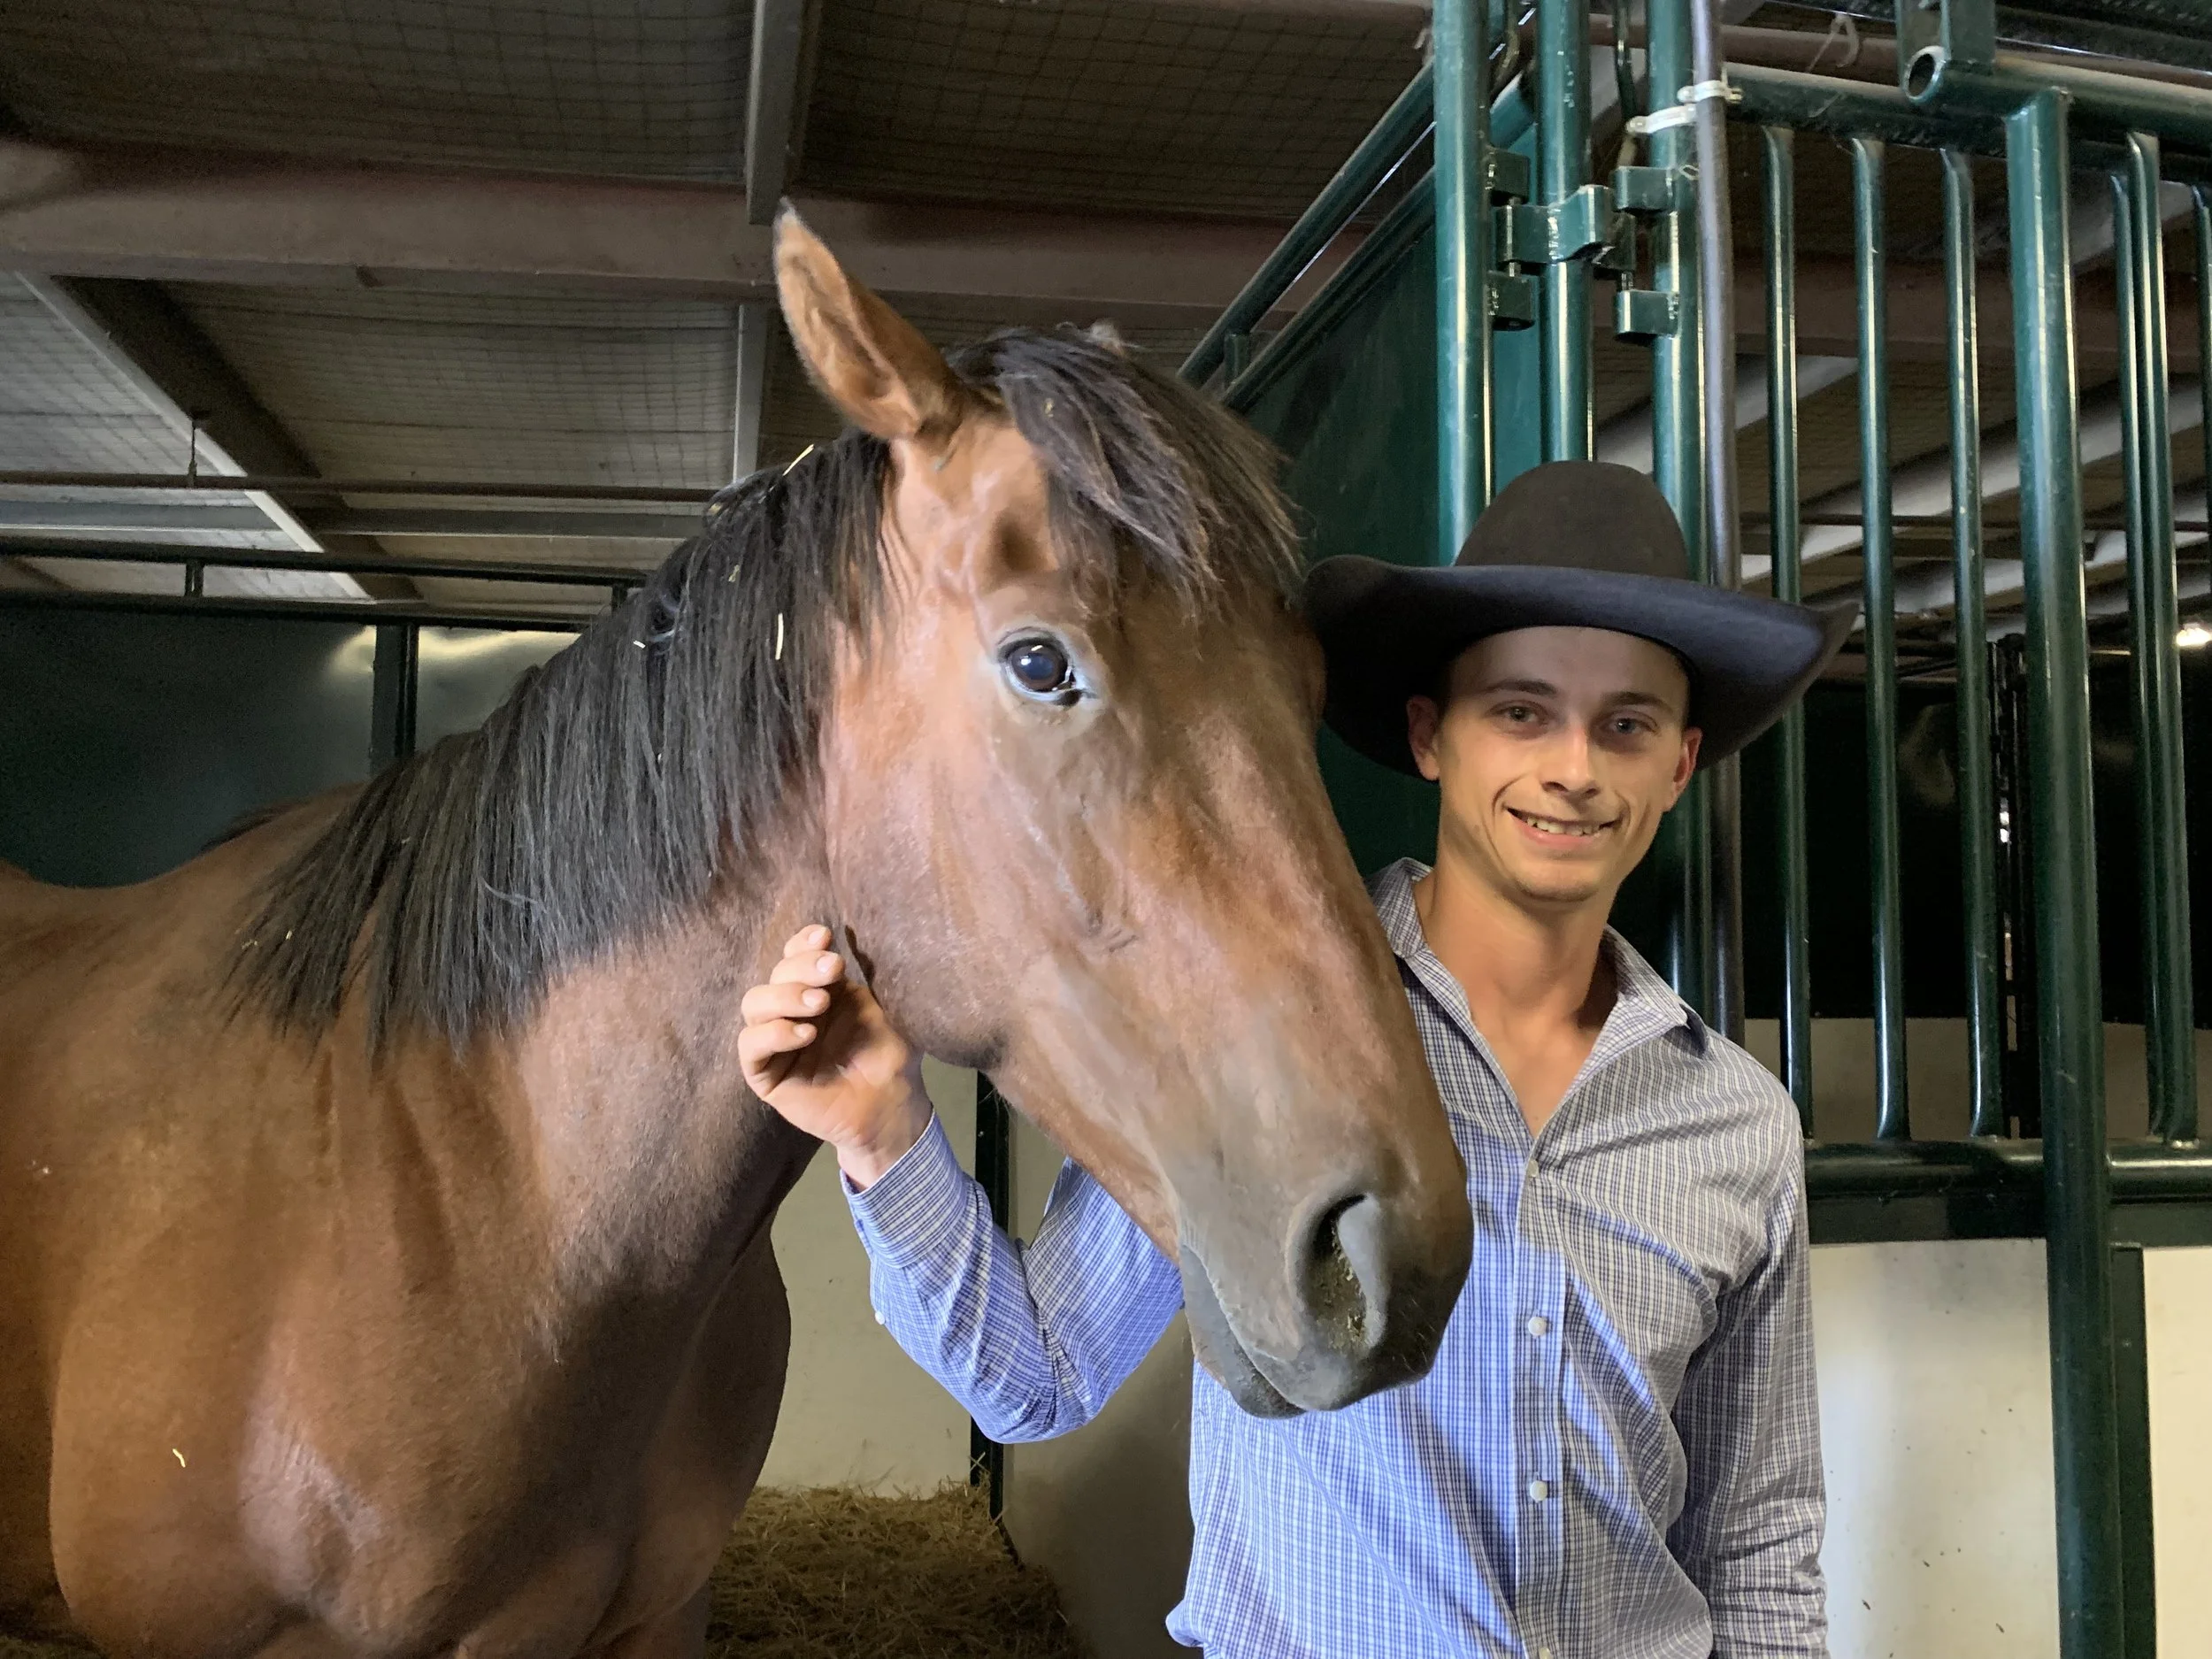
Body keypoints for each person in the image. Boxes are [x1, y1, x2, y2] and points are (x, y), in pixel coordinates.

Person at [738, 460, 1851, 1659]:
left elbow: (1757, 1540)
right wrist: (884, 1133)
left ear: (1678, 764)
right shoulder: (1257, 1037)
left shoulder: (1736, 1124)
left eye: (1625, 725)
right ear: (1430, 735)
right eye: (1521, 711)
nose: (1575, 767)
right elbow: (1041, 1371)